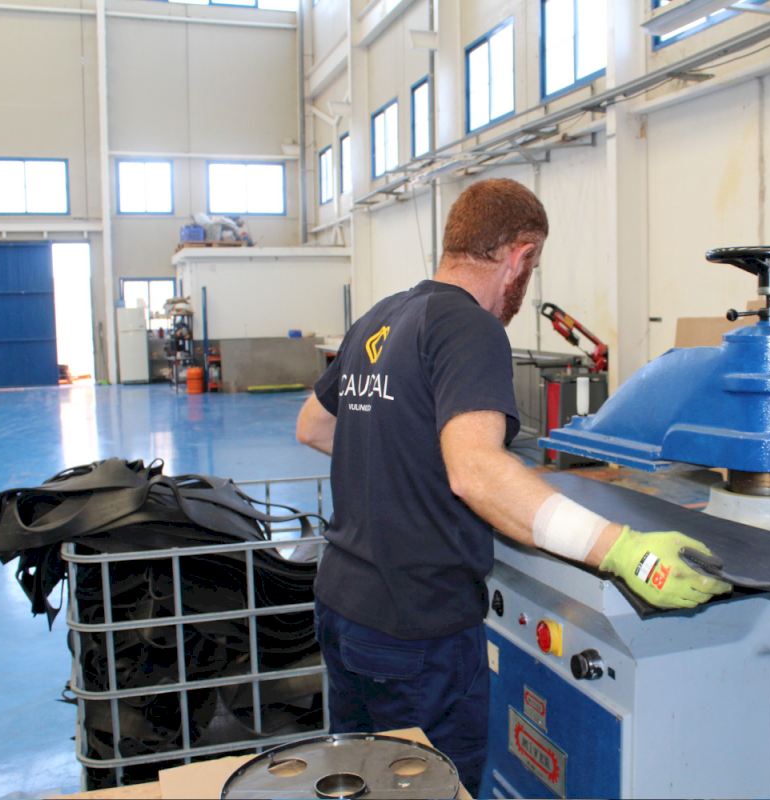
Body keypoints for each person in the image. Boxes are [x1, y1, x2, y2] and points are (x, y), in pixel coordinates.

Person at [296, 178, 730, 795]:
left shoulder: (383, 315)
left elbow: (314, 426)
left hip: (341, 609)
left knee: (364, 781)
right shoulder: (468, 326)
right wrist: (623, 550)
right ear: (520, 256)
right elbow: (476, 472)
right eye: (535, 266)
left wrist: (408, 453)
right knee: (433, 785)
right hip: (416, 625)